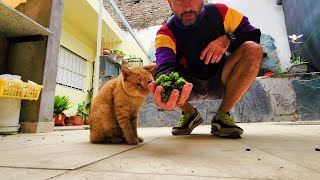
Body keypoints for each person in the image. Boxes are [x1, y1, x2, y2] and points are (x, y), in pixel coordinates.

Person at [148, 0, 263, 138]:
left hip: (223, 80)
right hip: (188, 88)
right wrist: (164, 90)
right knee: (155, 72)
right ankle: (190, 114)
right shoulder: (165, 32)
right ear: (170, 3)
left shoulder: (222, 13)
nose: (187, 7)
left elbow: (253, 35)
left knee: (253, 49)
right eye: (179, 0)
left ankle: (222, 116)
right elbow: (164, 68)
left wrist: (228, 38)